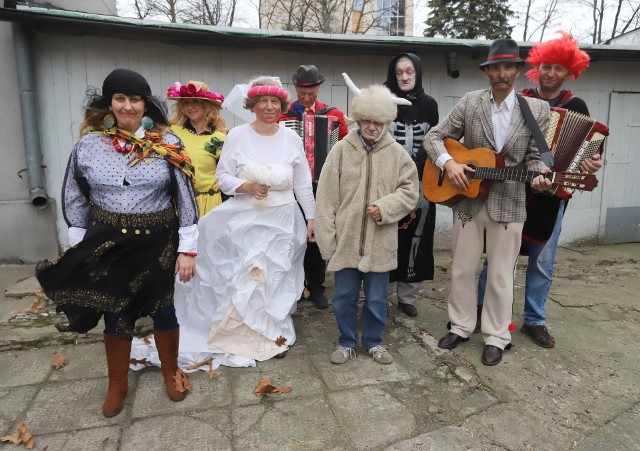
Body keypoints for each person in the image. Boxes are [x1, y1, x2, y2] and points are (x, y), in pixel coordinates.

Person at [35, 68, 198, 417]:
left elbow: (186, 199)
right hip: (108, 242)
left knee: (164, 307)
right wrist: (78, 244)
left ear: (145, 104)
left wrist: (187, 249)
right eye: (120, 99)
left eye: (135, 99)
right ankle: (117, 384)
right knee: (114, 310)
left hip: (157, 242)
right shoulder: (89, 146)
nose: (128, 106)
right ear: (109, 103)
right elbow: (74, 196)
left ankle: (172, 371)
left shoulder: (168, 145)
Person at [167, 77, 315, 368]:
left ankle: (274, 333)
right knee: (247, 275)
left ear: (282, 106)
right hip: (247, 219)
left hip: (284, 219)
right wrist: (246, 186)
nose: (269, 107)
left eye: (275, 102)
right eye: (263, 101)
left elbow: (303, 184)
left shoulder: (291, 138)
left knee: (276, 276)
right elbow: (223, 177)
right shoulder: (236, 135)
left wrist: (311, 217)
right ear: (253, 105)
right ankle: (243, 332)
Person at [423, 39, 553, 366]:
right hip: (469, 200)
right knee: (463, 269)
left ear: (518, 71)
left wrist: (540, 176)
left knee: (499, 274)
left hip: (509, 202)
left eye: (508, 67)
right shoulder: (470, 103)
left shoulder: (537, 109)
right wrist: (448, 164)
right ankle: (462, 325)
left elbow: (538, 158)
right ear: (487, 72)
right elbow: (432, 137)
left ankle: (497, 335)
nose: (501, 73)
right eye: (495, 67)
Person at [476, 31, 601, 348]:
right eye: (546, 66)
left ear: (568, 72)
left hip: (552, 197)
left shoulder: (577, 105)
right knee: (498, 257)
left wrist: (590, 162)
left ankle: (534, 320)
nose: (551, 73)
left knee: (542, 262)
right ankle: (481, 311)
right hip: (514, 191)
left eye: (559, 68)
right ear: (536, 68)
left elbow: (588, 151)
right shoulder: (519, 99)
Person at [315, 74, 419, 365]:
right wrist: (328, 241)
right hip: (345, 242)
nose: (372, 127)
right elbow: (325, 199)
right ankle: (347, 341)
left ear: (387, 122)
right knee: (344, 296)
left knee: (376, 299)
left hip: (380, 242)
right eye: (367, 121)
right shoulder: (340, 152)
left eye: (379, 122)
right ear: (358, 119)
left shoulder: (397, 154)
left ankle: (374, 341)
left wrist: (386, 207)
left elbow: (410, 190)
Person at [278, 65, 349, 310]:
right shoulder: (284, 115)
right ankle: (296, 285)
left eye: (311, 91)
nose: (306, 96)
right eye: (302, 91)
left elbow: (343, 149)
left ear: (318, 88)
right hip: (292, 186)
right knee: (293, 236)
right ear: (295, 88)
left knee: (316, 236)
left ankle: (317, 286)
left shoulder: (334, 115)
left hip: (322, 184)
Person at [384, 53, 439, 317]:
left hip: (421, 183)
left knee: (417, 234)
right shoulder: (383, 102)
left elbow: (436, 142)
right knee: (384, 236)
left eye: (409, 72)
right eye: (399, 73)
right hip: (387, 185)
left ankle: (407, 296)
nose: (404, 77)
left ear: (417, 73)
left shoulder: (430, 105)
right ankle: (380, 293)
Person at [166, 80, 228, 217]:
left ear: (206, 105)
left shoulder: (220, 138)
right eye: (186, 103)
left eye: (195, 102)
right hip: (181, 204)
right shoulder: (172, 133)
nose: (190, 107)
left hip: (213, 205)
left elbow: (226, 177)